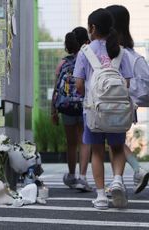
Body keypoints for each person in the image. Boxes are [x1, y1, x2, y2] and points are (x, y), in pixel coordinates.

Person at [74, 8, 133, 210]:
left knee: (97, 152)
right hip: (117, 111)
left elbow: (79, 85)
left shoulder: (85, 52)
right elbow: (126, 84)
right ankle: (117, 180)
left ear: (92, 28)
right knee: (117, 149)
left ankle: (100, 197)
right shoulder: (121, 51)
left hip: (93, 111)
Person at [106, 4, 149, 194]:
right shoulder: (134, 56)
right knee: (116, 141)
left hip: (111, 104)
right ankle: (122, 178)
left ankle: (127, 176)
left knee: (112, 142)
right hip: (128, 107)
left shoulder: (110, 54)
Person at [51, 27, 92, 192]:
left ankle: (71, 175)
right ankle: (82, 177)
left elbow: (56, 89)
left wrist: (53, 111)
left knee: (71, 143)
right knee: (84, 141)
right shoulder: (88, 60)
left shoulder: (62, 63)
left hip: (66, 107)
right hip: (84, 105)